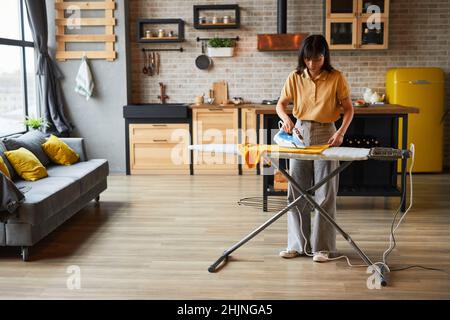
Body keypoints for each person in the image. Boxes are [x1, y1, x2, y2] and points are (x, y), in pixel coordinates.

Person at [275, 34, 354, 262]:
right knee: (296, 190)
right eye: (308, 59)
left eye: (317, 58)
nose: (312, 64)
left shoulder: (336, 77)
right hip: (299, 132)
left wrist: (340, 132)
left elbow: (348, 109)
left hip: (327, 133)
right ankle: (298, 245)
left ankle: (323, 248)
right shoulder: (295, 76)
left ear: (325, 56)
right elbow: (281, 104)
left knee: (325, 192)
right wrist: (286, 118)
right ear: (303, 57)